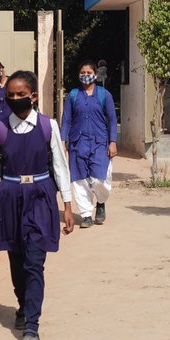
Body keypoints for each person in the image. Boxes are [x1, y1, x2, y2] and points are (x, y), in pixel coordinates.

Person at [0, 70, 75, 340]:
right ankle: (22, 304)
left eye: (21, 94)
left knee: (34, 262)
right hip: (9, 198)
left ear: (33, 96)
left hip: (40, 197)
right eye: (10, 95)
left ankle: (32, 325)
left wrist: (67, 206)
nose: (15, 99)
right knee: (16, 260)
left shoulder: (48, 127)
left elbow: (59, 165)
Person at [61, 60, 118, 228]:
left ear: (95, 74)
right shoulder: (72, 95)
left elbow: (113, 120)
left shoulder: (104, 95)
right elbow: (66, 121)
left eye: (88, 72)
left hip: (100, 142)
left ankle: (100, 202)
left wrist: (112, 142)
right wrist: (63, 141)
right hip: (78, 143)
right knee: (79, 180)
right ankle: (86, 214)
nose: (85, 75)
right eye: (82, 73)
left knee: (100, 178)